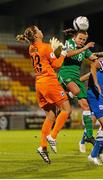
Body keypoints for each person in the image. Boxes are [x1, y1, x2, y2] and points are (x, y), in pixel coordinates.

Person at [16, 25, 71, 164]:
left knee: (51, 115)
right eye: (38, 29)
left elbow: (47, 60)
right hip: (49, 81)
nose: (41, 30)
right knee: (66, 109)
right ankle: (53, 136)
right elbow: (57, 64)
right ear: (36, 35)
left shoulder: (31, 48)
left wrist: (55, 50)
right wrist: (62, 51)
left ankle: (43, 147)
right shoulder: (45, 47)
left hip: (39, 83)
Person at [58, 30, 98, 145]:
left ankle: (89, 136)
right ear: (75, 37)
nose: (82, 41)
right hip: (65, 74)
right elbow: (68, 53)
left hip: (76, 78)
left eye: (84, 40)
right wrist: (85, 48)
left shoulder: (84, 49)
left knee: (86, 106)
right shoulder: (70, 43)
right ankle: (66, 95)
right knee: (76, 90)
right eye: (80, 39)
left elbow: (94, 58)